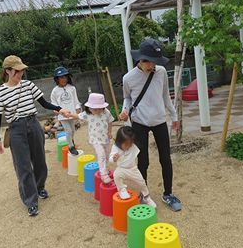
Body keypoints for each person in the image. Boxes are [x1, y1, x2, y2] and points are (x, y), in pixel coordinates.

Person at [0, 55, 70, 216]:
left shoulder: (28, 85)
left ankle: (40, 187)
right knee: (23, 166)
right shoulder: (0, 92)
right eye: (16, 71)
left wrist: (59, 109)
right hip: (16, 129)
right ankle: (30, 200)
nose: (20, 74)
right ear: (7, 71)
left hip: (33, 124)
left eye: (21, 71)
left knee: (40, 160)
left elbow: (43, 103)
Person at [119, 38, 182, 212]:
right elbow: (128, 98)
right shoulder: (128, 78)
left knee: (165, 159)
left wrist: (174, 115)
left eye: (156, 63)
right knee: (143, 161)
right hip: (140, 122)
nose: (153, 66)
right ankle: (144, 195)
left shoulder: (161, 72)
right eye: (151, 63)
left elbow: (164, 95)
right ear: (141, 60)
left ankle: (168, 193)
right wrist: (125, 110)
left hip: (160, 121)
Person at [71, 93, 114, 184]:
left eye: (100, 108)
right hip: (95, 139)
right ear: (90, 107)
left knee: (106, 154)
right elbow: (77, 116)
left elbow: (110, 121)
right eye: (95, 109)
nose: (98, 111)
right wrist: (68, 114)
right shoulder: (87, 113)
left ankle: (105, 168)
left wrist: (110, 132)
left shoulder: (106, 112)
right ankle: (103, 174)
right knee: (101, 154)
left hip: (105, 138)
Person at [109, 126, 157, 208]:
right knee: (116, 175)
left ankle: (147, 197)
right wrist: (113, 158)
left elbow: (130, 130)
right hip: (122, 169)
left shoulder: (132, 145)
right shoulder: (116, 147)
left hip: (133, 169)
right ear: (119, 141)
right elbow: (110, 158)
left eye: (130, 143)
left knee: (142, 182)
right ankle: (122, 190)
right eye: (126, 144)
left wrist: (127, 118)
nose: (128, 146)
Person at [51, 66, 81, 155]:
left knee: (72, 130)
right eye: (61, 77)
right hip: (62, 115)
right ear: (57, 79)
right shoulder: (55, 91)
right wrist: (57, 111)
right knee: (68, 130)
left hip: (72, 113)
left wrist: (78, 107)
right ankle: (71, 147)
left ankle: (71, 140)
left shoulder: (72, 88)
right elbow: (54, 104)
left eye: (65, 76)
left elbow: (76, 100)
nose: (64, 79)